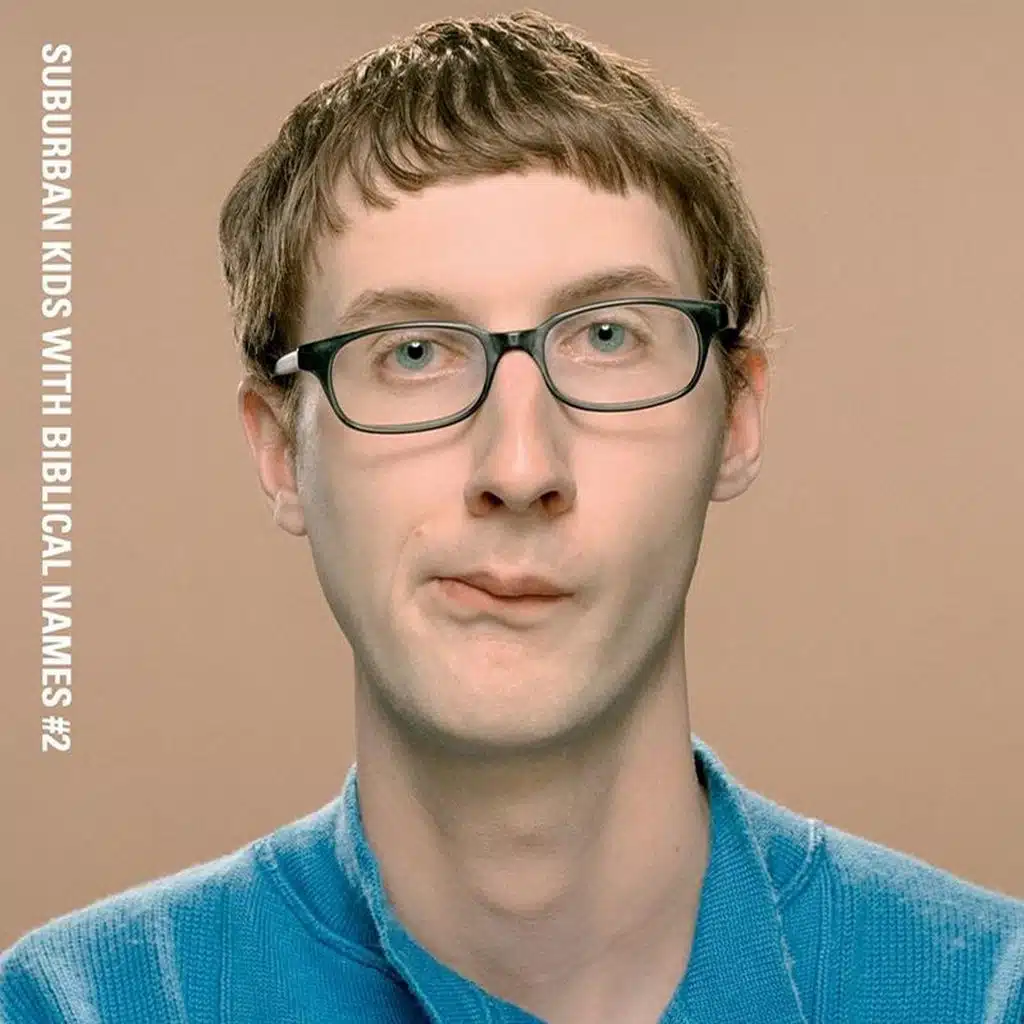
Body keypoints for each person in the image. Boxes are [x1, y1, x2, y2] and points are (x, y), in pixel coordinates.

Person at [2, 9, 1022, 1023]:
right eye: (411, 351)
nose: (521, 467)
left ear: (737, 418)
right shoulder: (71, 1007)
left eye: (610, 336)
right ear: (280, 450)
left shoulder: (990, 996)